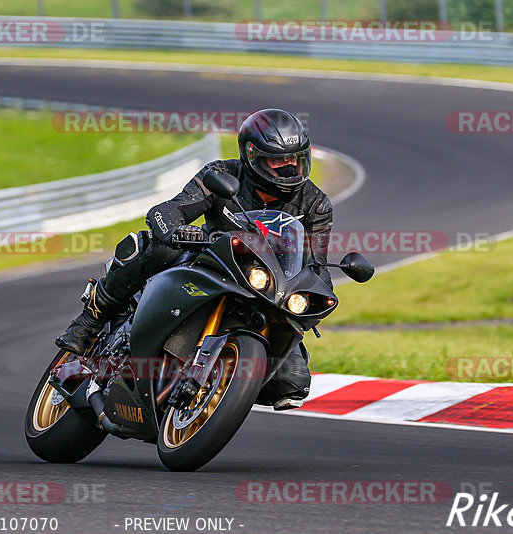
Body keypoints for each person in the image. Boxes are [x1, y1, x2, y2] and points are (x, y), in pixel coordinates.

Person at [56, 109, 333, 410]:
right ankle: (89, 322)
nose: (290, 167)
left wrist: (314, 301)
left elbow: (316, 267)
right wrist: (176, 230)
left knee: (293, 382)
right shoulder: (221, 175)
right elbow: (167, 211)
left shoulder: (315, 204)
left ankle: (218, 387)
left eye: (295, 158)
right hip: (210, 262)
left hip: (264, 286)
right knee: (155, 246)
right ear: (252, 155)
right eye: (278, 160)